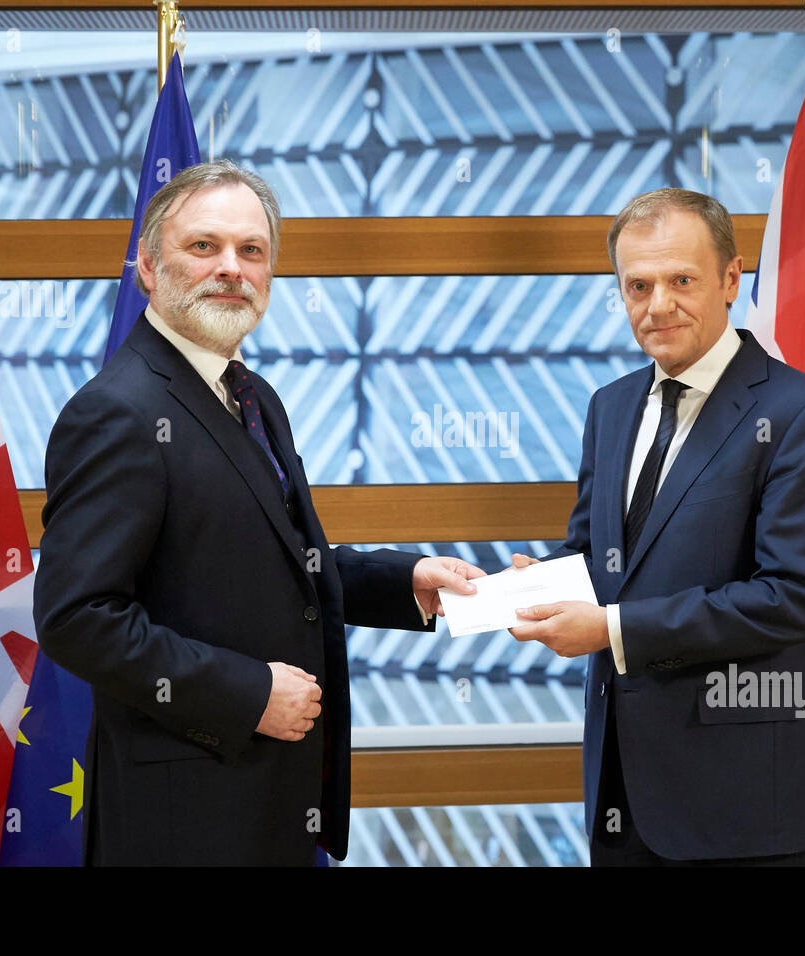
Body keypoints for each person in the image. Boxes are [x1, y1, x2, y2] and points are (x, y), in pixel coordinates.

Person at [33, 160, 481, 865]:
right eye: (203, 246)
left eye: (252, 251)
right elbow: (76, 618)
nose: (231, 269)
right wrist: (247, 694)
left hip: (271, 799)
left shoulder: (253, 394)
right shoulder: (117, 412)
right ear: (147, 268)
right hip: (183, 818)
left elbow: (273, 560)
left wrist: (409, 581)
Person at [510, 188, 805, 866]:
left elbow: (792, 598)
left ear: (730, 279)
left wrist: (609, 630)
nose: (657, 304)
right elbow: (599, 558)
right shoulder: (611, 407)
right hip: (622, 799)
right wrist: (526, 588)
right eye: (637, 285)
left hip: (738, 805)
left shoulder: (799, 413)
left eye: (680, 281)